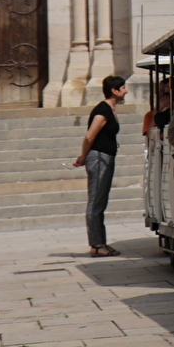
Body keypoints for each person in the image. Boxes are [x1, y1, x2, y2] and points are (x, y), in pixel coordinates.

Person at [73, 75, 127, 257]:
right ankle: (96, 244)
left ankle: (100, 241)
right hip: (98, 158)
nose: (126, 91)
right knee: (96, 201)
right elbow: (89, 136)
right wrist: (83, 157)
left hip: (106, 157)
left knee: (101, 201)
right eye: (123, 87)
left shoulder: (110, 109)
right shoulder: (103, 110)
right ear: (114, 90)